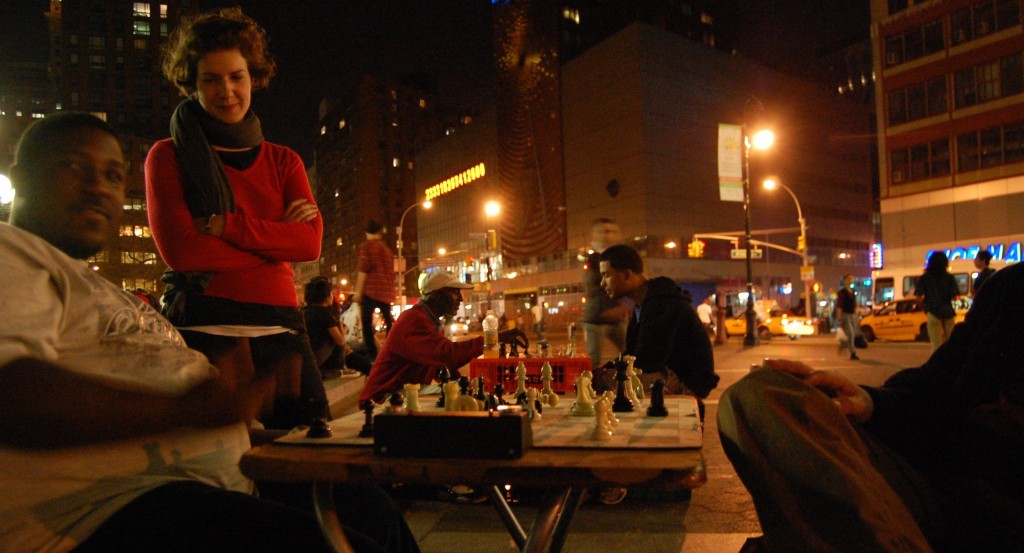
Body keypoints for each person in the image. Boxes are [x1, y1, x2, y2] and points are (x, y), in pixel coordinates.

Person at [0, 113, 418, 553]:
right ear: (19, 173)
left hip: (219, 481)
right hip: (107, 511)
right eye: (74, 167)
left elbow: (191, 423)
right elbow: (11, 396)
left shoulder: (100, 290)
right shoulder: (14, 254)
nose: (99, 188)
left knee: (375, 513)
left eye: (111, 175)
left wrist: (301, 445)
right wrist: (193, 409)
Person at [718, 262, 1024, 553]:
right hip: (932, 481)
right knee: (760, 394)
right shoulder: (1010, 287)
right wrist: (867, 402)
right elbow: (935, 384)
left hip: (1001, 508)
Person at [145, 8, 329, 430]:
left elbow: (308, 245)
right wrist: (273, 243)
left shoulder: (285, 161)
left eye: (236, 77)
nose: (226, 90)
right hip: (205, 330)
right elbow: (184, 253)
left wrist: (227, 228)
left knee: (313, 455)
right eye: (210, 79)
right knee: (224, 466)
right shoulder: (167, 157)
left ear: (254, 78)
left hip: (282, 330)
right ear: (192, 85)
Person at [598, 244, 719, 404]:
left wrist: (605, 373)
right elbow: (635, 354)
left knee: (602, 383)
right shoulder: (645, 303)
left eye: (606, 275)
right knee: (600, 378)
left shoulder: (662, 303)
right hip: (666, 372)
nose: (602, 283)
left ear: (627, 275)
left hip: (687, 381)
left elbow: (648, 360)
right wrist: (604, 368)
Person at [359, 270, 484, 405]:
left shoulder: (430, 322)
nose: (460, 298)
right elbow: (447, 355)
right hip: (383, 399)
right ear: (436, 294)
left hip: (402, 391)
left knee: (456, 392)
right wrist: (490, 340)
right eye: (454, 292)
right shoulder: (413, 320)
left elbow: (442, 366)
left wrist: (463, 386)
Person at [580, 218, 629, 371]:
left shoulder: (617, 258)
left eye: (612, 232)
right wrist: (611, 309)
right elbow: (595, 289)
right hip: (597, 317)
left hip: (614, 316)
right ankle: (586, 390)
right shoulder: (594, 260)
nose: (608, 236)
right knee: (593, 360)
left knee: (631, 352)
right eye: (604, 232)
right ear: (594, 236)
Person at [302, 277, 372, 379]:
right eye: (331, 294)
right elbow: (341, 342)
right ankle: (339, 369)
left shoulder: (305, 312)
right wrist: (338, 321)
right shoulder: (324, 313)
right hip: (325, 361)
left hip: (309, 358)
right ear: (326, 297)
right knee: (365, 363)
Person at [352, 220, 397, 361]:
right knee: (389, 322)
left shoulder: (366, 247)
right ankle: (392, 350)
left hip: (370, 291)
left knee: (366, 324)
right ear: (380, 233)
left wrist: (358, 292)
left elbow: (363, 269)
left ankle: (373, 355)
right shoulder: (387, 250)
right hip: (386, 292)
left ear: (367, 232)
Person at [914, 251, 959, 351]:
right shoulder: (950, 278)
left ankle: (938, 363)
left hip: (933, 312)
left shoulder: (924, 278)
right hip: (948, 312)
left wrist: (926, 309)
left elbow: (918, 298)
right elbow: (955, 296)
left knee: (936, 344)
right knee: (951, 343)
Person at [836, 274, 860, 360]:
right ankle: (852, 352)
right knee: (851, 333)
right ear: (845, 280)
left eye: (851, 278)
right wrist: (839, 317)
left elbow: (855, 304)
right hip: (845, 315)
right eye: (848, 278)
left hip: (852, 315)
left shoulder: (853, 291)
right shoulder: (842, 292)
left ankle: (844, 345)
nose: (850, 280)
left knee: (852, 334)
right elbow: (839, 305)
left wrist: (856, 314)